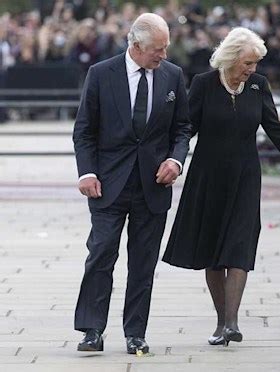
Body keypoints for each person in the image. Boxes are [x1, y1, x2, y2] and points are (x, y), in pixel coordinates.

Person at [162, 27, 280, 347]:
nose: (252, 70)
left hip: (245, 177)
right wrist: (172, 160)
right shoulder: (203, 84)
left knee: (239, 246)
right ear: (230, 59)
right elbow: (185, 128)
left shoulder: (258, 85)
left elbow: (274, 126)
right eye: (247, 63)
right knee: (213, 251)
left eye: (255, 64)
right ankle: (220, 322)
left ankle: (232, 323)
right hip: (208, 177)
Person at [73, 13, 191, 354]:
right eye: (157, 49)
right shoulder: (100, 74)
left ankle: (135, 332)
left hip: (153, 186)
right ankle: (92, 329)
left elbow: (182, 128)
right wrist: (87, 172)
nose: (163, 55)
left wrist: (175, 159)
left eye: (166, 47)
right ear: (136, 46)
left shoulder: (172, 76)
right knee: (101, 255)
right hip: (108, 184)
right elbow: (84, 130)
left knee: (143, 263)